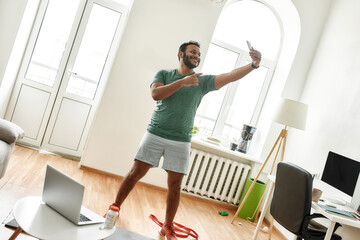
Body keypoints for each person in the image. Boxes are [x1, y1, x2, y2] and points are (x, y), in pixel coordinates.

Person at [106, 41, 261, 240]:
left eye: (199, 54)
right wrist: (182, 82)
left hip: (181, 139)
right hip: (156, 133)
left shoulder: (202, 81)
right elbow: (155, 94)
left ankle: (167, 226)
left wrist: (253, 65)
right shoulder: (164, 74)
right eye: (193, 52)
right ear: (181, 54)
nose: (197, 56)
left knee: (175, 186)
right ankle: (114, 208)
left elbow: (230, 76)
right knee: (135, 173)